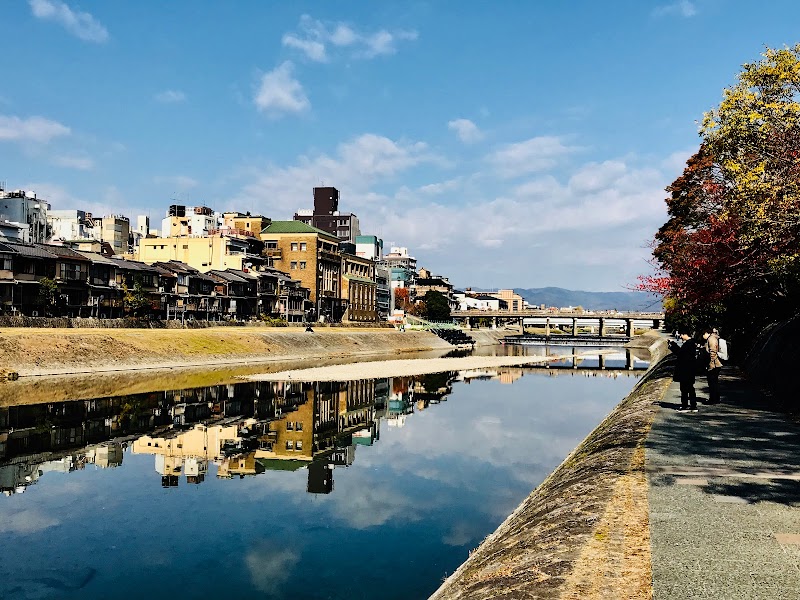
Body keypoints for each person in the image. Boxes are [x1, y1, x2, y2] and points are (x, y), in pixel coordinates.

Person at [668, 328, 698, 412]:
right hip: (689, 370)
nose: (680, 337)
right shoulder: (691, 343)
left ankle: (685, 406)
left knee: (684, 389)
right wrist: (673, 345)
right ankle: (693, 406)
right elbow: (681, 352)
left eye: (681, 335)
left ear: (685, 334)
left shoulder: (689, 344)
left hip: (686, 370)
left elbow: (680, 354)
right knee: (690, 388)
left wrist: (673, 345)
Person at [702, 325, 723, 404]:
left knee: (712, 382)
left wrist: (710, 365)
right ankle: (716, 399)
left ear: (706, 333)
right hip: (716, 364)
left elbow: (712, 352)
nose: (703, 336)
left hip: (714, 364)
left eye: (703, 334)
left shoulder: (711, 339)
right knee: (714, 382)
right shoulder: (713, 338)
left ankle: (713, 399)